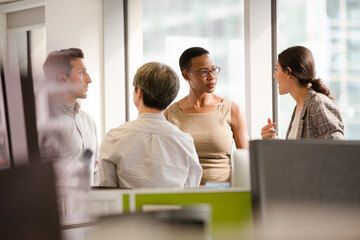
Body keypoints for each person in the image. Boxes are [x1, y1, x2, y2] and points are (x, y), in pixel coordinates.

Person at [98, 62, 202, 188]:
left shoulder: (114, 137)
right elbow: (191, 190)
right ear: (171, 97)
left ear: (139, 92)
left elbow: (106, 191)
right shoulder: (185, 141)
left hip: (128, 207)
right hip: (174, 207)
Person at [165, 47, 249, 186]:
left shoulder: (232, 110)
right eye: (204, 72)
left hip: (223, 194)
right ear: (186, 75)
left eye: (214, 70)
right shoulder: (171, 114)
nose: (212, 76)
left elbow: (246, 161)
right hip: (184, 193)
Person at [41, 48, 98, 187]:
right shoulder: (44, 123)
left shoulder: (88, 121)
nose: (89, 79)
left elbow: (95, 171)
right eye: (81, 73)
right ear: (62, 79)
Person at [261, 45, 344, 140]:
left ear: (288, 73)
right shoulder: (300, 107)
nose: (274, 75)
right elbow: (297, 150)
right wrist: (274, 139)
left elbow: (337, 149)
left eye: (276, 69)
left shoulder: (317, 104)